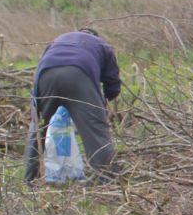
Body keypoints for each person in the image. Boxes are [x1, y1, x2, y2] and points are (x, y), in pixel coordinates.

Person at [23, 28, 120, 182]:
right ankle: (107, 180)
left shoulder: (58, 40)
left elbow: (43, 62)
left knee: (39, 127)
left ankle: (29, 179)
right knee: (96, 131)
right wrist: (103, 103)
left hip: (46, 75)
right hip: (78, 74)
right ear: (94, 36)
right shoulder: (102, 45)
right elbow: (112, 84)